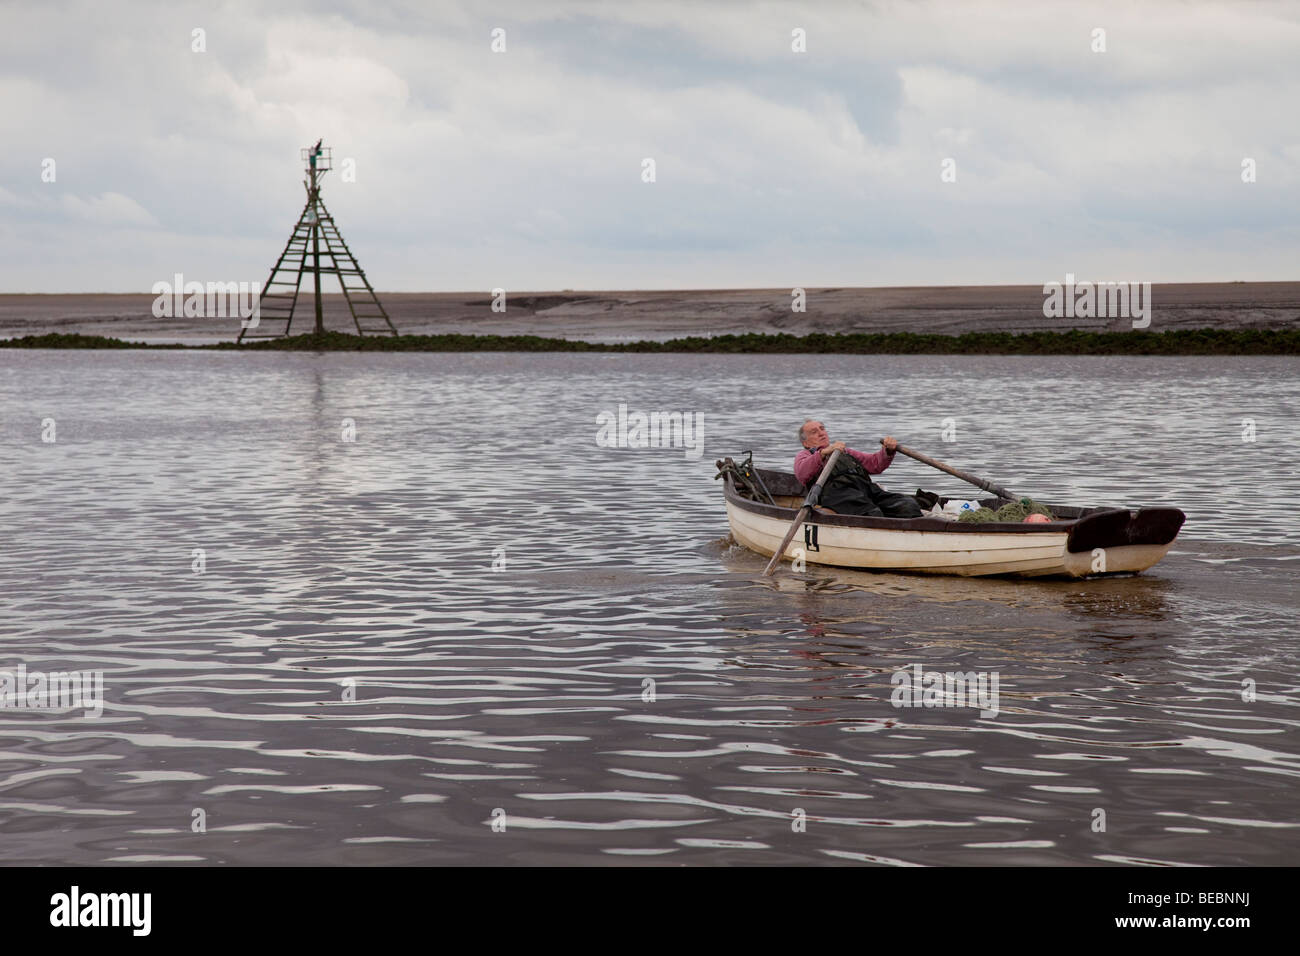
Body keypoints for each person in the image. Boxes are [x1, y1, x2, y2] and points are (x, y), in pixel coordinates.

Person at [794, 419, 923, 518]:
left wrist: (888, 450)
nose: (821, 433)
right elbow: (802, 473)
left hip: (866, 491)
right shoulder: (805, 455)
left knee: (908, 505)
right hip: (838, 497)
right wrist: (823, 453)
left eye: (822, 429)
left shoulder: (845, 452)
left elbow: (875, 464)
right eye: (814, 432)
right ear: (805, 443)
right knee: (872, 513)